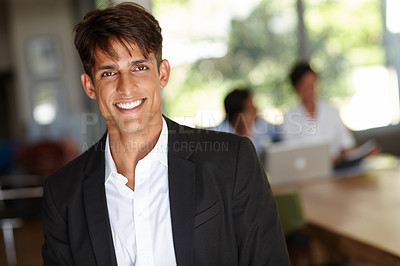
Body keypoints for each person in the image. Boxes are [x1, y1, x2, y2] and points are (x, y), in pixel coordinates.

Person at [41, 2, 290, 266]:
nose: (126, 87)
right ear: (90, 85)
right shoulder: (62, 195)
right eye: (109, 72)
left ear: (163, 73)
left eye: (139, 67)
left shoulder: (233, 161)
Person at [282, 61, 356, 165]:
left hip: (337, 172)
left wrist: (359, 156)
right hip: (307, 175)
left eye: (313, 83)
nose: (311, 89)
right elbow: (293, 155)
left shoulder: (332, 112)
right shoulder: (290, 119)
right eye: (306, 85)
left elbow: (347, 146)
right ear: (296, 88)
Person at [212, 88, 280, 157]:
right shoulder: (217, 136)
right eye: (251, 108)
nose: (256, 110)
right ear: (238, 116)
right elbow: (242, 161)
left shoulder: (261, 124)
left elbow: (282, 132)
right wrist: (246, 132)